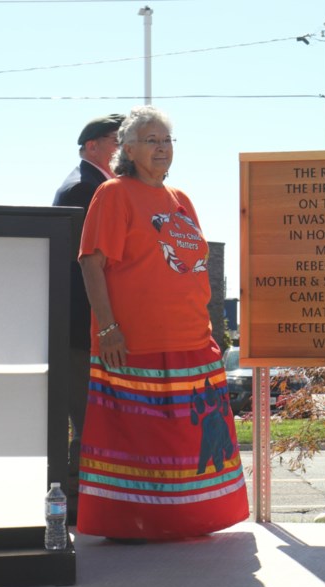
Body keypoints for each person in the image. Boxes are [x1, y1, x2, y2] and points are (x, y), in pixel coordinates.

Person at [76, 105, 249, 540]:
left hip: (193, 342)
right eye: (151, 141)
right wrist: (107, 328)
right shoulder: (113, 194)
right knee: (144, 442)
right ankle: (138, 526)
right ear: (128, 148)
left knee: (193, 442)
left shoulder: (181, 200)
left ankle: (190, 521)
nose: (162, 148)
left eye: (167, 141)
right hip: (137, 343)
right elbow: (91, 263)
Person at [53, 113, 124, 525]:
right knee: (86, 420)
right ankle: (75, 509)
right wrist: (108, 323)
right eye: (118, 140)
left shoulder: (97, 184)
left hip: (91, 327)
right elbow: (85, 265)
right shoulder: (84, 187)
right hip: (83, 328)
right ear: (92, 145)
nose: (122, 148)